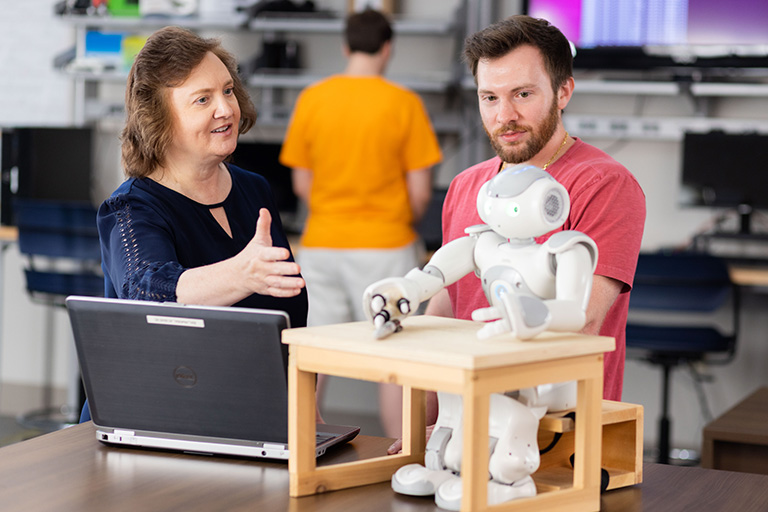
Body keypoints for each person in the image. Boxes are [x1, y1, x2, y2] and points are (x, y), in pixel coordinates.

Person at [386, 14, 645, 453]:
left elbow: (580, 324)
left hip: (557, 434)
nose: (505, 116)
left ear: (563, 92)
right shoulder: (468, 185)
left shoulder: (605, 185)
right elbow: (446, 307)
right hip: (460, 424)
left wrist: (476, 422)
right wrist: (426, 427)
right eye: (490, 97)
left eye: (522, 94)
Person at [80, 26, 307, 422]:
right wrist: (241, 275)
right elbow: (147, 292)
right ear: (158, 120)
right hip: (145, 424)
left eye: (228, 91)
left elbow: (286, 321)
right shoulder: (130, 208)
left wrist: (304, 408)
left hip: (247, 419)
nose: (226, 109)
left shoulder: (255, 191)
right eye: (202, 99)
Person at [279, 9, 442, 437]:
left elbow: (301, 181)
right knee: (395, 356)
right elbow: (421, 191)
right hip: (385, 245)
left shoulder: (313, 98)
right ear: (388, 48)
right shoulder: (404, 103)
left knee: (315, 354)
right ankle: (402, 455)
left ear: (345, 46)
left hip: (320, 243)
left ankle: (302, 449)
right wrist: (392, 221)